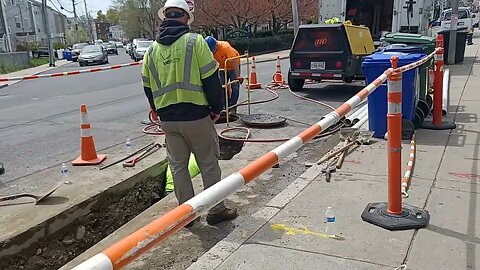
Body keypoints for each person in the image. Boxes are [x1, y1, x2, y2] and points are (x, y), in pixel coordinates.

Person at [142, 0, 237, 226]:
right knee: (208, 163)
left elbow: (147, 87)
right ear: (185, 17)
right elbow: (211, 80)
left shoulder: (151, 50)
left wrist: (158, 111)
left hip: (168, 120)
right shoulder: (195, 42)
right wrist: (216, 109)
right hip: (196, 116)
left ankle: (186, 216)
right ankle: (216, 211)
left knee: (178, 166)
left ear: (164, 17)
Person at [204, 36, 243, 112]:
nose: (213, 52)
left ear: (216, 44)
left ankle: (232, 106)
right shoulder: (208, 50)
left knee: (235, 86)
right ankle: (225, 106)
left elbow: (234, 61)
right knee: (221, 87)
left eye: (214, 50)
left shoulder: (225, 47)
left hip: (232, 66)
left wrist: (238, 76)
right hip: (222, 67)